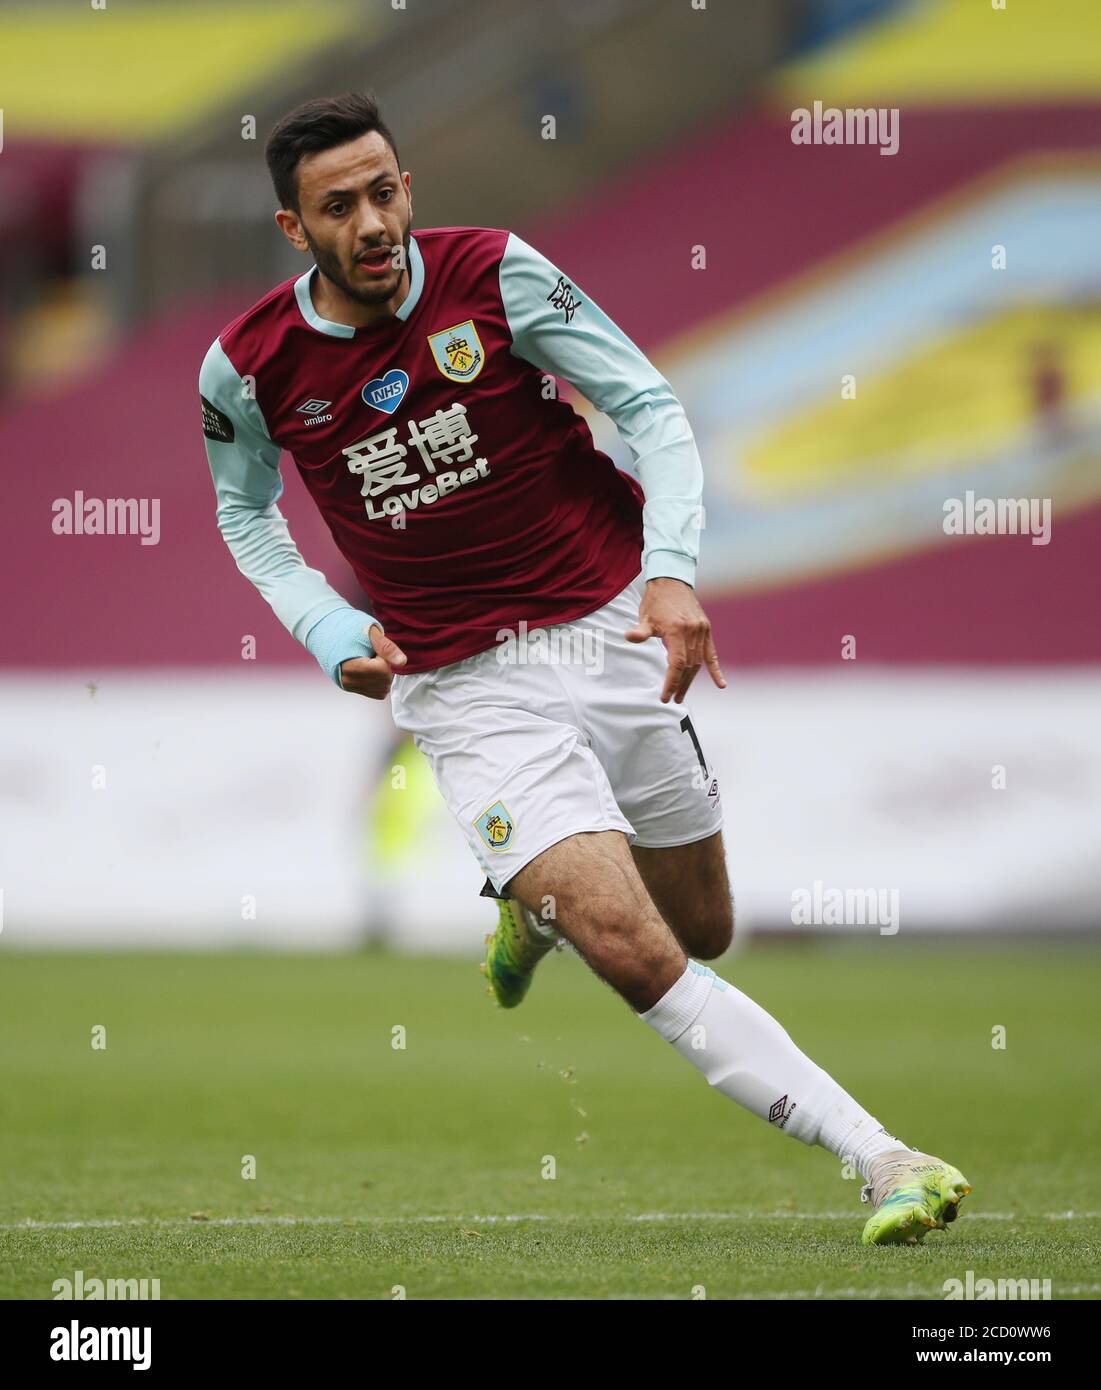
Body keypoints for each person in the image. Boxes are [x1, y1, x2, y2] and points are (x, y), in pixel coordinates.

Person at [198, 92, 970, 1245]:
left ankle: (529, 905)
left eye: (384, 190)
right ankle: (887, 1157)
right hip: (462, 685)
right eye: (338, 205)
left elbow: (648, 405)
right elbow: (246, 517)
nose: (371, 220)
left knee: (703, 924)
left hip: (607, 625)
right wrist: (324, 628)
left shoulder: (497, 277)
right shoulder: (247, 368)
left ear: (408, 187)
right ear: (293, 229)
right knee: (638, 949)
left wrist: (670, 571)